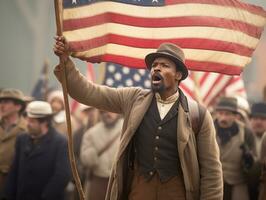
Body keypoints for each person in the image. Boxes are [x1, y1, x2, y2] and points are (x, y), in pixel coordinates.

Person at [54, 36, 223, 200]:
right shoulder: (133, 99)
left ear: (178, 75)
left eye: (164, 66)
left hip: (177, 193)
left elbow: (211, 170)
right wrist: (66, 62)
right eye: (155, 65)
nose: (156, 68)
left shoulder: (198, 115)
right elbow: (90, 93)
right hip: (138, 191)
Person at [3, 101, 71, 200]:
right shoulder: (22, 139)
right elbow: (14, 170)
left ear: (45, 122)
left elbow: (62, 176)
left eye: (32, 121)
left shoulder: (61, 142)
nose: (27, 124)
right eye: (27, 120)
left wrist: (46, 196)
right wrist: (8, 195)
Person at [214, 96, 256, 200]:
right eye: (220, 113)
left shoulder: (246, 132)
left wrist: (249, 159)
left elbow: (255, 163)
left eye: (227, 114)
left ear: (235, 115)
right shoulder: (207, 129)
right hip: (213, 182)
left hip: (238, 182)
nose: (223, 118)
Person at [80, 110, 123, 200]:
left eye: (111, 110)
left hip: (119, 180)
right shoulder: (91, 133)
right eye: (104, 111)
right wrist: (91, 154)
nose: (108, 114)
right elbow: (84, 158)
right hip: (98, 180)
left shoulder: (126, 128)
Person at [0, 89, 27, 199]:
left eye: (6, 102)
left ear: (18, 107)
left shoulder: (26, 130)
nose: (2, 105)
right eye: (1, 102)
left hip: (12, 184)